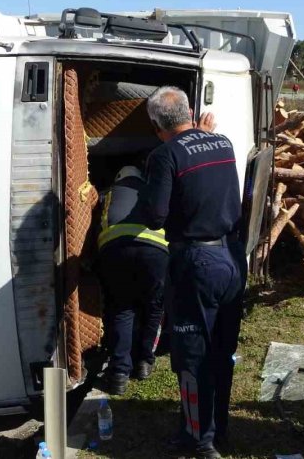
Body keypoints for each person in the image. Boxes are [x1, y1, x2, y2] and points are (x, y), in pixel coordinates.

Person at [135, 86, 245, 459]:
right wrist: (202, 133)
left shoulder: (164, 156)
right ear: (191, 112)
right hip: (231, 258)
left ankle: (198, 441)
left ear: (155, 124)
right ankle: (220, 431)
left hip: (196, 264)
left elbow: (155, 215)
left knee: (192, 355)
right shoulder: (223, 143)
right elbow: (201, 152)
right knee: (222, 351)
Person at [97, 165, 169, 395]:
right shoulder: (156, 189)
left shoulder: (107, 194)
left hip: (115, 251)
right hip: (154, 253)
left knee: (121, 309)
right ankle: (144, 362)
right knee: (154, 308)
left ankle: (119, 373)